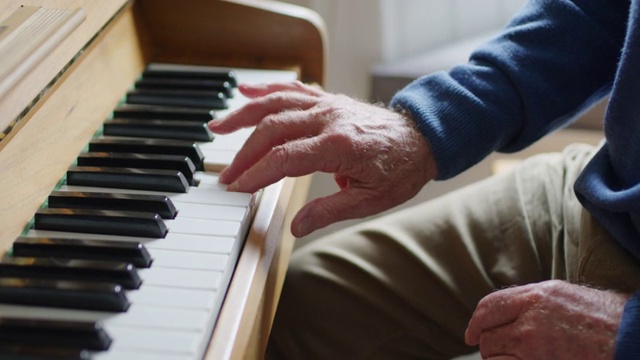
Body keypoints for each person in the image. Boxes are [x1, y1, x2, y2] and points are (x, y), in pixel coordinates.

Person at [208, 0, 640, 358]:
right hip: (600, 196)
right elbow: (598, 12)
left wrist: (627, 334)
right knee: (297, 302)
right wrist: (424, 128)